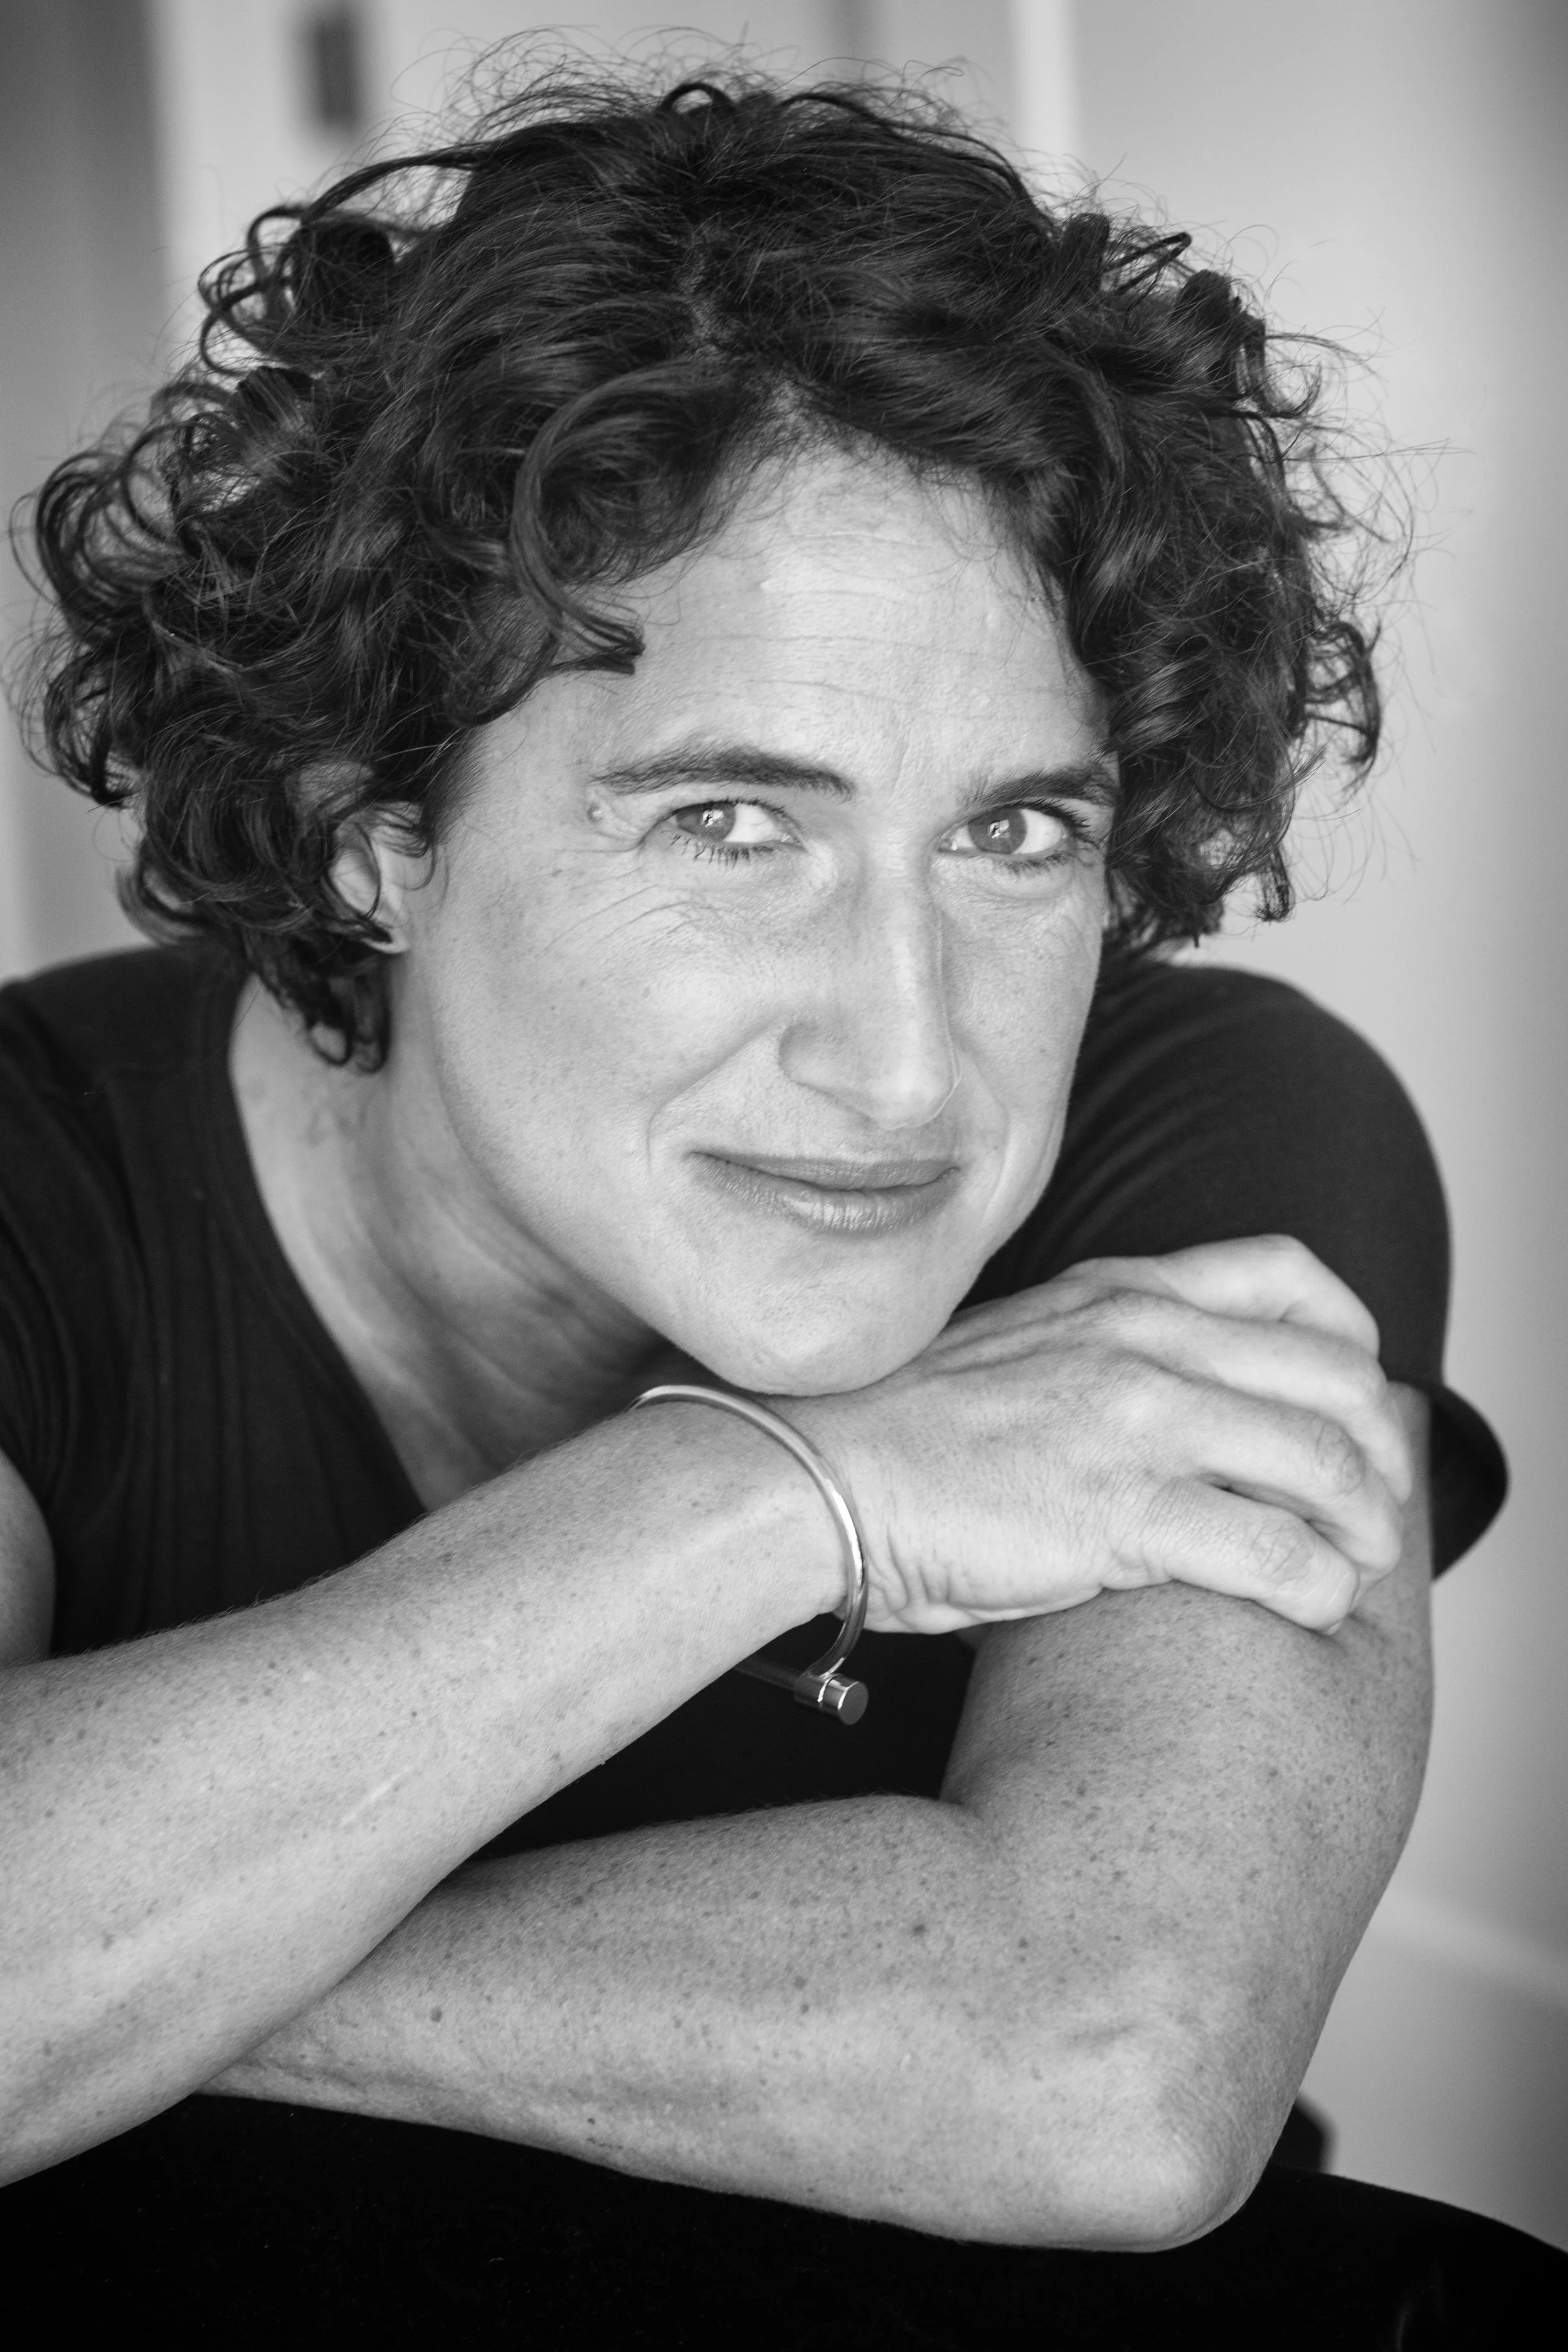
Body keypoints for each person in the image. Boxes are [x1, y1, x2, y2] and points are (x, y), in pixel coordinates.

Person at [0, 61, 1503, 2255]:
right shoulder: (35, 1175)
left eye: (1014, 832)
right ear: (373, 830)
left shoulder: (1209, 1124)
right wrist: (787, 1488)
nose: (905, 1060)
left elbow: (1108, 2067)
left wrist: (135, 1964)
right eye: (729, 822)